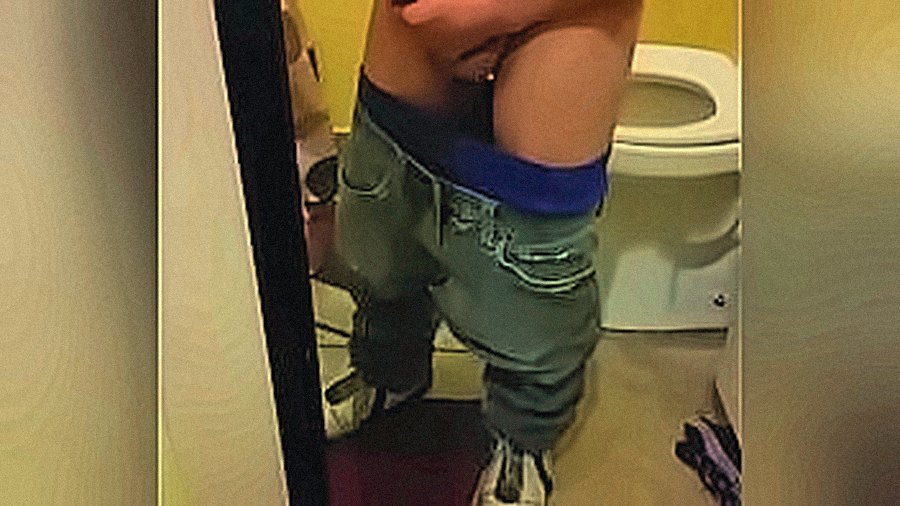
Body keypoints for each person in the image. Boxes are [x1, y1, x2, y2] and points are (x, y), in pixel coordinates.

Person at [321, 1, 643, 503]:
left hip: (566, 15)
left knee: (533, 290)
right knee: (383, 222)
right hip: (421, 21)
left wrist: (501, 11)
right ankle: (389, 373)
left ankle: (523, 439)